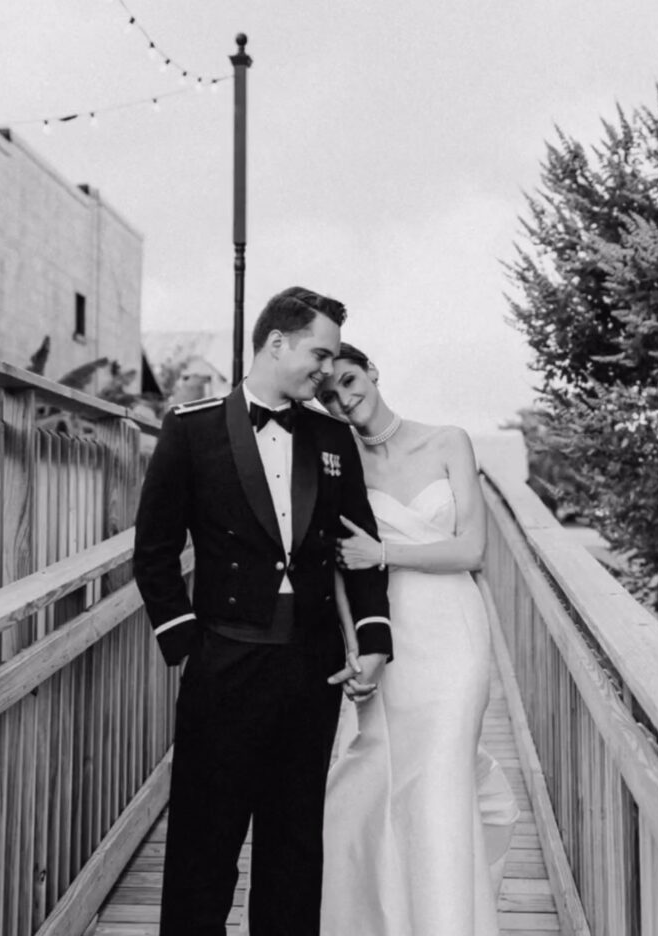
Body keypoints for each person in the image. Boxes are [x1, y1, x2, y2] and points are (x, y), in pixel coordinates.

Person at [133, 291, 392, 936]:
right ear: (277, 342)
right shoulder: (191, 428)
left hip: (311, 670)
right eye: (320, 353)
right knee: (203, 844)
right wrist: (188, 642)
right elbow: (155, 552)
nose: (328, 371)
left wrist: (373, 639)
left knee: (295, 848)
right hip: (223, 661)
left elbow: (359, 549)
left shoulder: (332, 436)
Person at [318, 343, 519, 936]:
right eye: (328, 394)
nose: (343, 399)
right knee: (380, 770)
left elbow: (473, 549)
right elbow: (336, 565)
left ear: (372, 370)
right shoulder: (338, 459)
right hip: (388, 631)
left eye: (350, 381)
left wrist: (385, 552)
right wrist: (354, 644)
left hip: (454, 629)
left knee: (441, 776)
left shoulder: (449, 440)